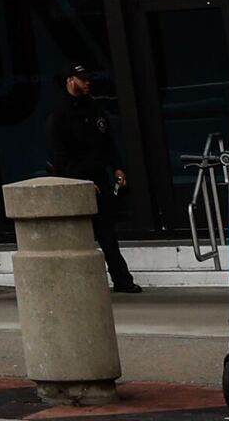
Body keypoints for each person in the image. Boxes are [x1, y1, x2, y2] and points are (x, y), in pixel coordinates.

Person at [45, 63, 140, 292]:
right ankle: (76, 285)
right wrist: (80, 182)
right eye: (82, 78)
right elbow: (58, 155)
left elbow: (107, 141)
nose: (87, 82)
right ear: (70, 80)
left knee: (107, 233)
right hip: (74, 182)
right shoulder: (59, 113)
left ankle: (122, 280)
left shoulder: (94, 108)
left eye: (88, 78)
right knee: (75, 238)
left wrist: (117, 167)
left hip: (99, 177)